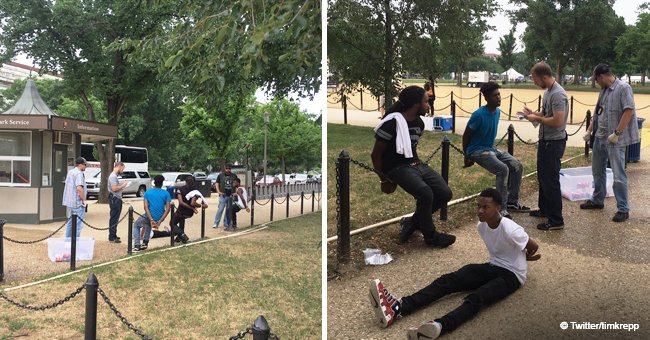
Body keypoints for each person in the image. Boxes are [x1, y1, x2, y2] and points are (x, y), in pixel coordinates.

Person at [369, 188, 541, 339]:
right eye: (478, 206)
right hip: (493, 266)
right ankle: (399, 307)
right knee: (449, 280)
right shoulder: (481, 227)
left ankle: (439, 326)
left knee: (478, 297)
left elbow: (533, 247)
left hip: (512, 276)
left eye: (485, 207)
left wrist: (523, 258)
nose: (480, 211)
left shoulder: (511, 229)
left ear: (498, 208)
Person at [371, 85, 456, 248]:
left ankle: (411, 222)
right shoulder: (391, 123)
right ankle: (431, 236)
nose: (428, 105)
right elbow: (376, 155)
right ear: (416, 104)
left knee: (444, 193)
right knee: (425, 193)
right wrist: (384, 179)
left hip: (415, 163)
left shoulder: (419, 123)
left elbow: (411, 149)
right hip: (396, 167)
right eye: (426, 101)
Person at [580, 63, 640, 222]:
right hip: (600, 138)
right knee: (597, 171)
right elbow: (597, 111)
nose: (596, 82)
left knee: (618, 174)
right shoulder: (604, 91)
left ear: (602, 77)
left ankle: (623, 208)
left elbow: (629, 110)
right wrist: (589, 130)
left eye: (596, 80)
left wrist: (617, 133)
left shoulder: (623, 88)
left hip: (615, 141)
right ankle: (597, 200)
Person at [462, 81, 530, 219]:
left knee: (517, 166)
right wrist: (466, 154)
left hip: (490, 148)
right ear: (486, 98)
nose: (498, 97)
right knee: (502, 169)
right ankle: (502, 209)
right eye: (494, 96)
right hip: (477, 150)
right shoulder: (479, 114)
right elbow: (466, 134)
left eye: (499, 94)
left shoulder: (497, 112)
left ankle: (512, 202)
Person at [521, 61, 568, 231]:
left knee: (551, 181)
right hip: (545, 141)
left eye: (535, 79)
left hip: (553, 142)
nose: (534, 82)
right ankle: (544, 209)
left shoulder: (557, 94)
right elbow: (546, 114)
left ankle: (556, 220)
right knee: (543, 177)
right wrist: (532, 114)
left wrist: (537, 119)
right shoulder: (548, 92)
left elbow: (557, 121)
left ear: (544, 77)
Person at [132, 175, 185, 251]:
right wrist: (160, 221)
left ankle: (137, 245)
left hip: (149, 215)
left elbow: (146, 207)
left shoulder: (148, 192)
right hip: (160, 216)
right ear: (162, 183)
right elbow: (168, 209)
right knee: (147, 225)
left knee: (136, 225)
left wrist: (151, 219)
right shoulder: (166, 193)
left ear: (154, 183)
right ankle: (145, 242)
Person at [172, 176, 207, 243]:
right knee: (181, 221)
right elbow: (194, 203)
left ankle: (182, 235)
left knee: (172, 223)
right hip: (189, 213)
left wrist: (192, 208)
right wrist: (199, 206)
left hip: (181, 211)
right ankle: (179, 238)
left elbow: (181, 202)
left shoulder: (180, 189)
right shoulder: (195, 191)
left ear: (185, 182)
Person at [62, 157, 88, 238]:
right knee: (78, 225)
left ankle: (68, 242)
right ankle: (75, 244)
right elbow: (79, 188)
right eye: (85, 165)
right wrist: (84, 200)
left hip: (70, 202)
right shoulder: (79, 174)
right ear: (80, 164)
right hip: (77, 203)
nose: (86, 167)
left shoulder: (71, 172)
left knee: (70, 223)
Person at [211, 165, 239, 231]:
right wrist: (218, 192)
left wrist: (236, 192)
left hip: (230, 195)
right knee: (220, 209)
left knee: (228, 210)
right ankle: (216, 223)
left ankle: (226, 224)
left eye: (229, 168)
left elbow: (236, 185)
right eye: (227, 168)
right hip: (223, 195)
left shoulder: (234, 176)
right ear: (224, 169)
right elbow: (217, 183)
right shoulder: (220, 175)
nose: (228, 170)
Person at [107, 161, 129, 243]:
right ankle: (112, 236)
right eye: (122, 169)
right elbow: (114, 188)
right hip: (115, 199)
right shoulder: (113, 176)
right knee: (114, 217)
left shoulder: (114, 176)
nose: (122, 171)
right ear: (119, 166)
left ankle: (113, 234)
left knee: (116, 217)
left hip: (117, 198)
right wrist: (123, 185)